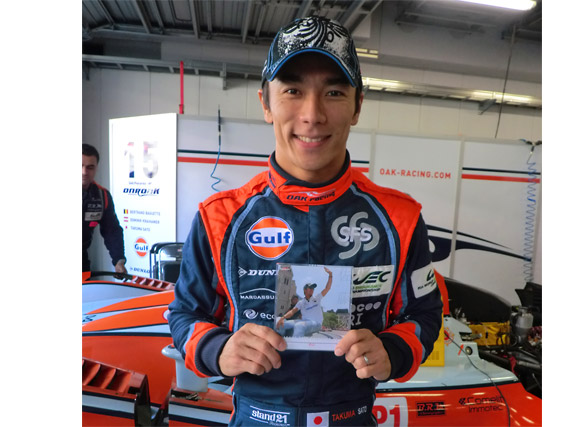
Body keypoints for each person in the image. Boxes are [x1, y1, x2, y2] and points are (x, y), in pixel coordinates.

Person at [168, 16, 443, 426]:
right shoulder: (219, 218)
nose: (312, 115)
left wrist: (395, 351)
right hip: (256, 417)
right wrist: (217, 350)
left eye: (333, 92)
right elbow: (183, 314)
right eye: (293, 91)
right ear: (265, 103)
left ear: (357, 106)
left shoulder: (400, 219)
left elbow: (426, 314)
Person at [82, 143, 127, 274]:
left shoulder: (102, 196)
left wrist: (118, 260)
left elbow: (111, 231)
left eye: (90, 167)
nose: (84, 172)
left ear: (96, 168)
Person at [276, 267, 333, 337]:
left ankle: (297, 344)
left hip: (316, 323)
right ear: (305, 290)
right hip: (303, 321)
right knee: (278, 321)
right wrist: (283, 317)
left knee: (299, 326)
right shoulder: (301, 302)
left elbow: (327, 288)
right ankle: (280, 341)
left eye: (313, 288)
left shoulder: (317, 298)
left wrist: (330, 275)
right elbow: (292, 311)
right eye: (310, 288)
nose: (312, 289)